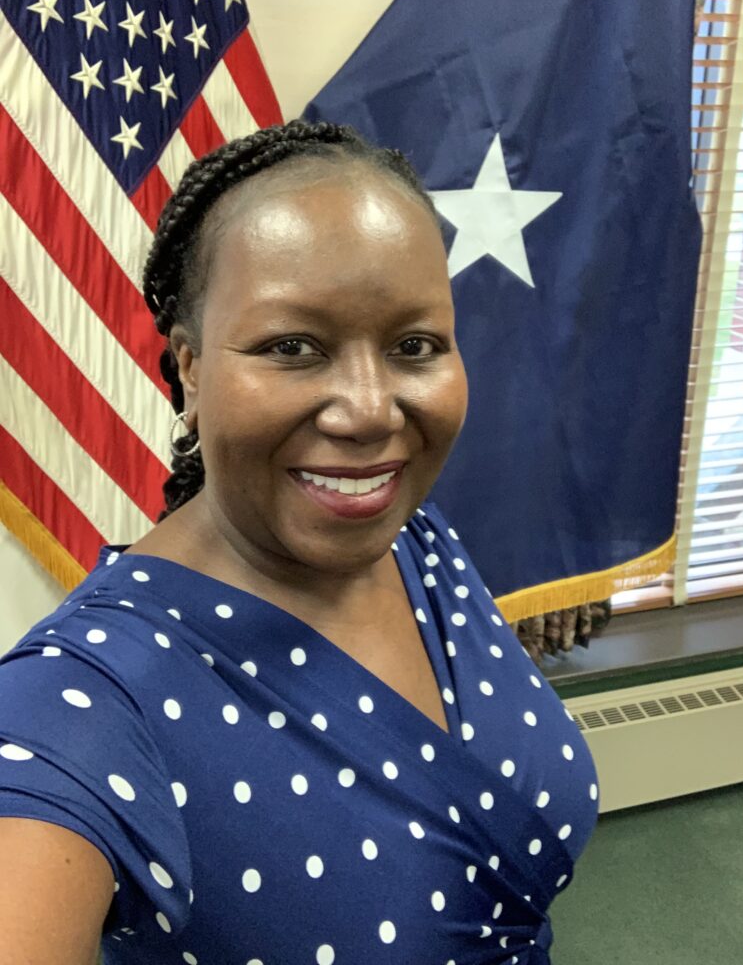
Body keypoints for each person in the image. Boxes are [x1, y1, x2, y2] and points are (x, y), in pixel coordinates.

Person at [0, 120, 599, 964]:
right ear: (191, 368)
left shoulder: (419, 545)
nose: (369, 410)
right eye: (292, 347)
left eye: (413, 346)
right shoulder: (78, 702)